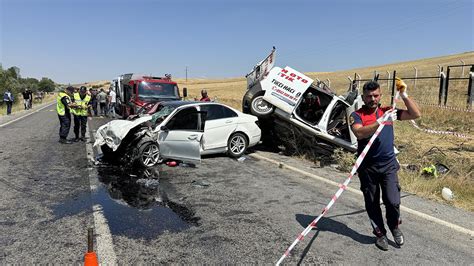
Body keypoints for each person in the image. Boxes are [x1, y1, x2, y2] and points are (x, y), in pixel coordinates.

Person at [350, 78, 421, 251]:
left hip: (388, 165)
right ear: (363, 97)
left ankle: (394, 226)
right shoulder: (356, 115)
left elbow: (415, 114)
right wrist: (378, 122)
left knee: (392, 200)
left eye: (375, 96)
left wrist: (404, 94)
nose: (372, 99)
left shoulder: (389, 111)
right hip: (368, 168)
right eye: (368, 96)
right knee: (372, 203)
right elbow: (359, 133)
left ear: (380, 95)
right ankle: (380, 234)